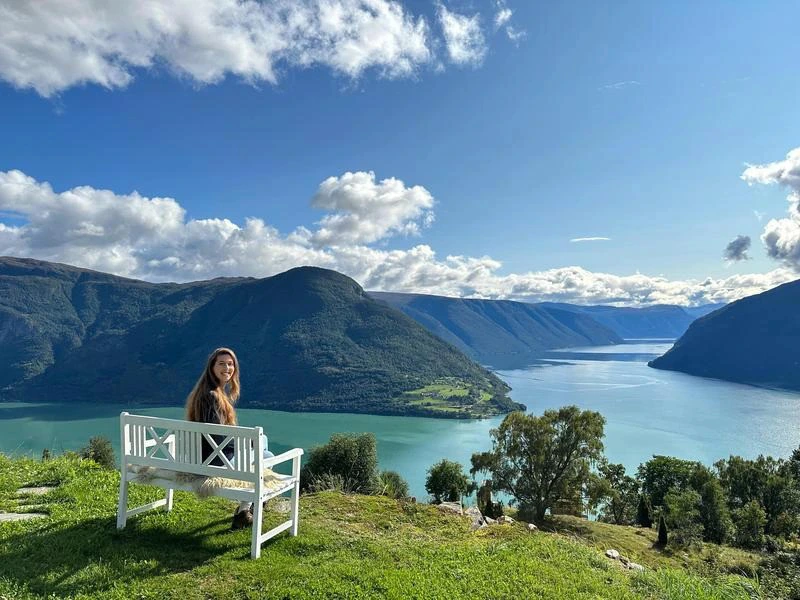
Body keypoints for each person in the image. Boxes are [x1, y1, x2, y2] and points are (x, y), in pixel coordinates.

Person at [186, 347, 272, 530]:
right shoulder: (212, 396)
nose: (227, 368)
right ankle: (248, 507)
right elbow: (216, 436)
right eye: (222, 364)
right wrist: (246, 442)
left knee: (262, 443)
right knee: (267, 455)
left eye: (230, 364)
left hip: (204, 457)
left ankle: (249, 506)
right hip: (214, 461)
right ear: (212, 367)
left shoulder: (206, 392)